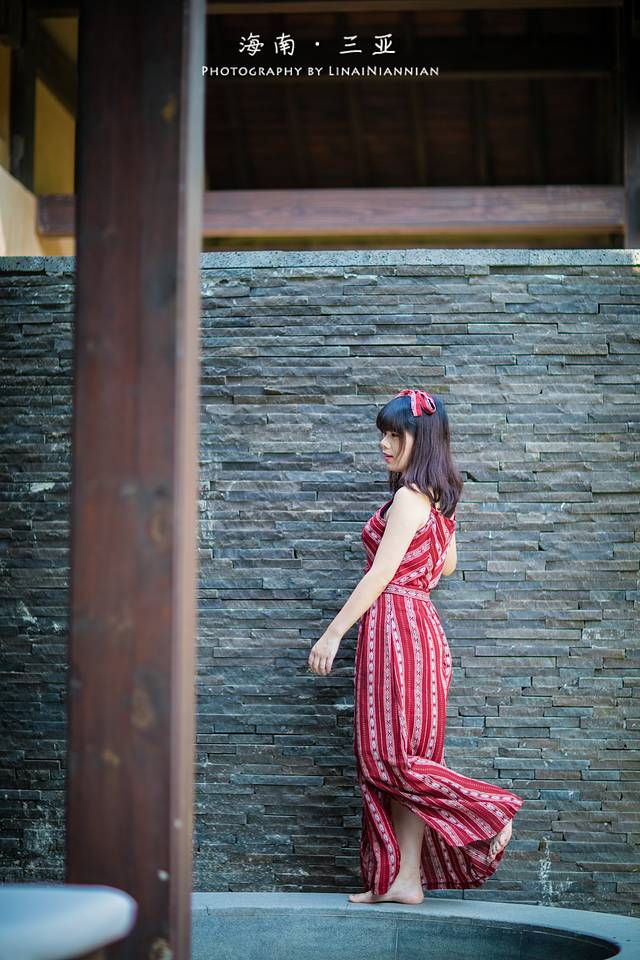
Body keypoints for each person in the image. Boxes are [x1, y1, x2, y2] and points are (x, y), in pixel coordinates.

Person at [307, 388, 524, 905]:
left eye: (394, 434)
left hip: (396, 628)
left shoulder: (409, 498)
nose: (384, 444)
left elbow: (382, 573)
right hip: (422, 629)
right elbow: (445, 567)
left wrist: (333, 632)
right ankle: (405, 880)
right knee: (412, 754)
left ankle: (488, 811)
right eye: (383, 434)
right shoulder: (440, 505)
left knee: (388, 759)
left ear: (420, 439)